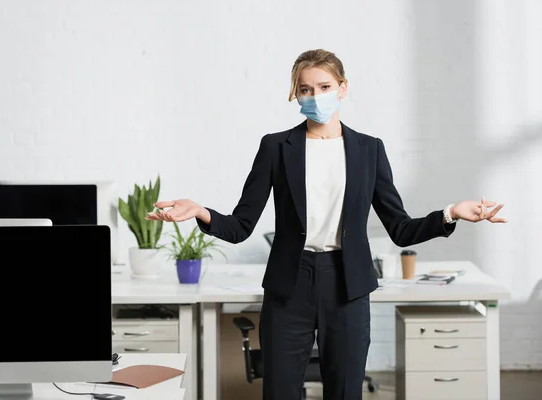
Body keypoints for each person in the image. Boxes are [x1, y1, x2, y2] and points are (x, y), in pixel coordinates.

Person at [146, 49, 507, 400]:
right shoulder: (276, 147)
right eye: (305, 89)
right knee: (280, 391)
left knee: (346, 390)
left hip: (347, 284)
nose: (314, 96)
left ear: (342, 88)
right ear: (296, 94)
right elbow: (241, 225)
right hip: (290, 285)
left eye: (323, 87)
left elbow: (400, 228)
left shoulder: (369, 150)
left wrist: (451, 214)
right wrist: (200, 211)